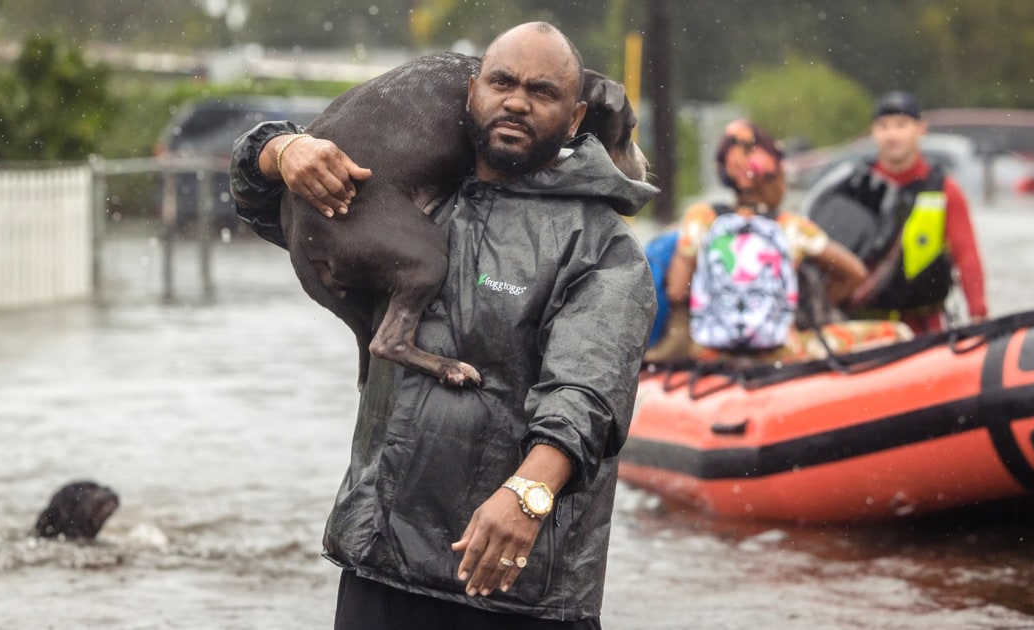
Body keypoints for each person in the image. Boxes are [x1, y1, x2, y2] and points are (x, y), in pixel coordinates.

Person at [230, 22, 657, 630]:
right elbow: (269, 212)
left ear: (575, 117)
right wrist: (280, 150)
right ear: (470, 90)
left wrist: (528, 495)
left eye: (541, 91)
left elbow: (587, 392)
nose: (515, 101)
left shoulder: (601, 247)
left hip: (520, 580)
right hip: (380, 565)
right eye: (502, 82)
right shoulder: (410, 206)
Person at [645, 119, 875, 364]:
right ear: (768, 177)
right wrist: (796, 307)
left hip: (708, 350)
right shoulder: (790, 225)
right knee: (898, 334)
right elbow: (855, 274)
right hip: (783, 350)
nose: (784, 185)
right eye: (781, 175)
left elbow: (678, 290)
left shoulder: (702, 217)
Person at [803, 91, 988, 334]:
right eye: (883, 126)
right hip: (861, 324)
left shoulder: (945, 191)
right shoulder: (851, 186)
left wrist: (978, 314)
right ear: (873, 133)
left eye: (901, 125)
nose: (892, 135)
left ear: (920, 129)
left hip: (923, 326)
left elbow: (967, 257)